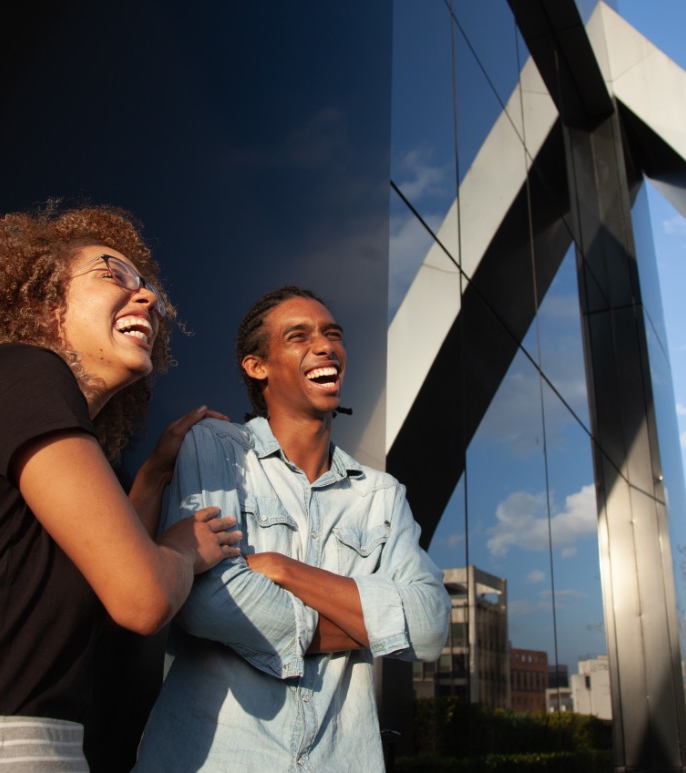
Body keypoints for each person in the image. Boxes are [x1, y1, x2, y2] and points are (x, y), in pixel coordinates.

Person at [0, 200, 242, 772]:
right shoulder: (22, 369)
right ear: (41, 305)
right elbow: (141, 599)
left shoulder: (24, 417)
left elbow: (106, 592)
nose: (147, 299)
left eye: (151, 291)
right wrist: (186, 550)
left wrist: (153, 476)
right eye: (112, 275)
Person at [133, 286, 451, 772]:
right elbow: (208, 603)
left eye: (332, 334)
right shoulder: (217, 449)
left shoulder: (381, 495)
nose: (325, 346)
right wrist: (371, 626)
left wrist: (285, 570)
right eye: (298, 336)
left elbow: (429, 625)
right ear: (257, 366)